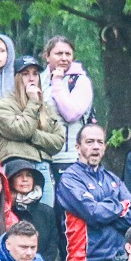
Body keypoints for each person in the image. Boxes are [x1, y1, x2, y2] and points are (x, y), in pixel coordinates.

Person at [57, 124, 131, 261]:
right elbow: (94, 213)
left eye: (100, 142)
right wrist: (119, 207)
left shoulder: (113, 179)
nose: (95, 147)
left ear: (104, 147)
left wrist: (105, 210)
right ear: (78, 147)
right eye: (89, 142)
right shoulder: (69, 179)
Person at [0, 55, 64, 206]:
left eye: (35, 74)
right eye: (25, 74)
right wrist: (33, 102)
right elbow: (22, 131)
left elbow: (58, 142)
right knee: (18, 218)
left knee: (45, 214)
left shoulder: (46, 107)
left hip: (44, 168)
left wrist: (33, 135)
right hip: (17, 168)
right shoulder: (3, 105)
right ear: (16, 78)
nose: (31, 78)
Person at [39, 36, 94, 189]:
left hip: (70, 158)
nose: (64, 58)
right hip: (41, 157)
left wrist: (57, 82)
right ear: (47, 56)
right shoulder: (38, 80)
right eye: (59, 54)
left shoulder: (80, 81)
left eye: (68, 54)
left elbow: (71, 114)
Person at [4, 159, 59, 261]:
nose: (25, 179)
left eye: (29, 175)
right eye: (19, 175)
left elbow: (51, 248)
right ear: (10, 180)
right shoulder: (4, 211)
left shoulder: (47, 212)